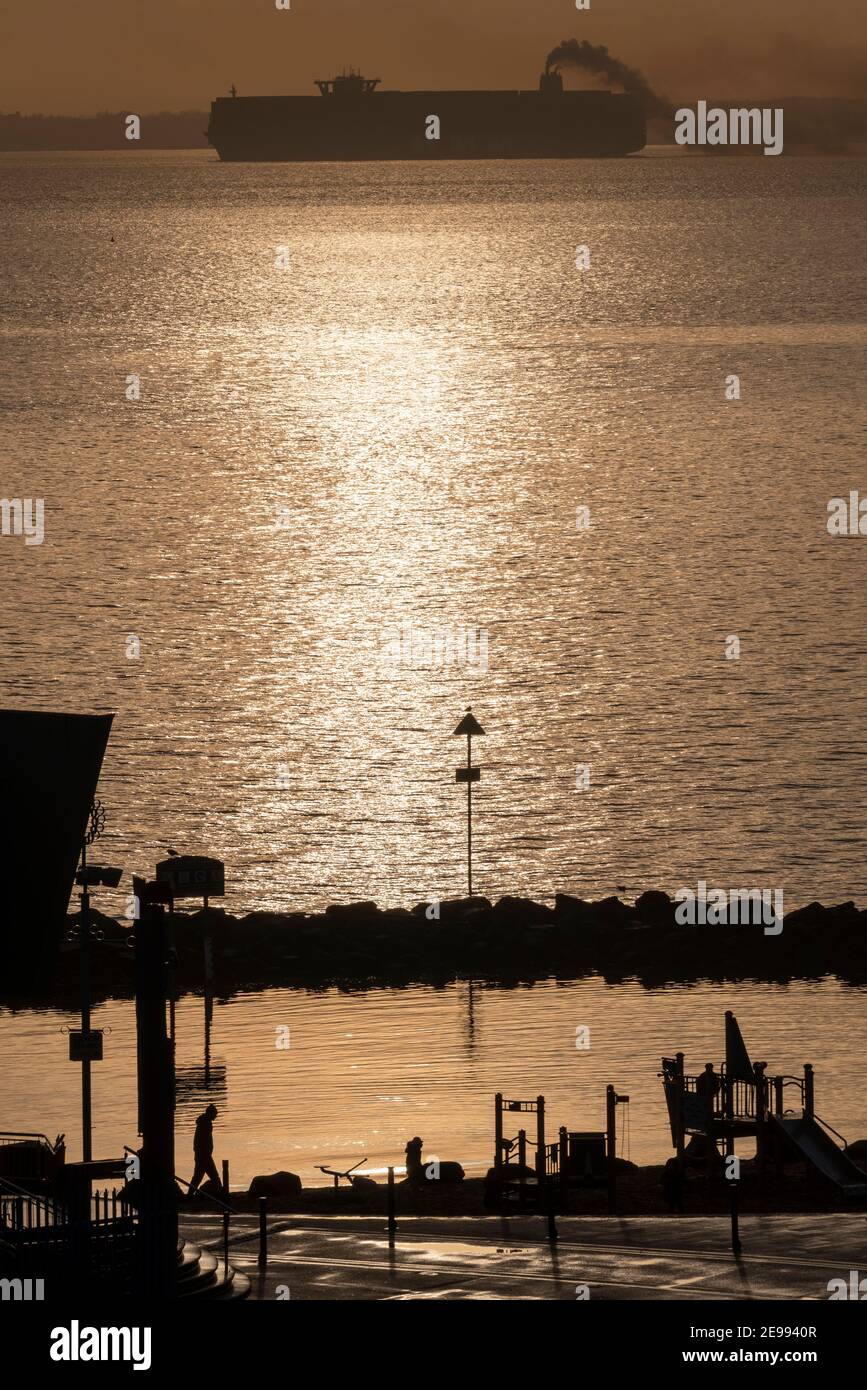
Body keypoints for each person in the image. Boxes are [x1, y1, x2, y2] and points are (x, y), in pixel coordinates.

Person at [189, 1104, 221, 1195]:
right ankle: (222, 1193)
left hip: (203, 1155)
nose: (216, 1116)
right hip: (204, 1156)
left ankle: (189, 1195)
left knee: (197, 1177)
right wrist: (205, 1154)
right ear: (210, 1114)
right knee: (214, 1177)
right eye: (215, 1114)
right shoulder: (205, 1124)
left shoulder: (204, 1123)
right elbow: (203, 1141)